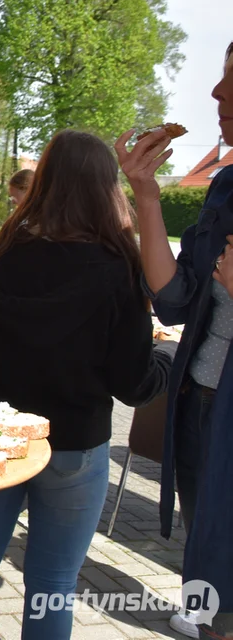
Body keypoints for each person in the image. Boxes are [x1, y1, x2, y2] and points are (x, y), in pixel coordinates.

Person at [0, 130, 172, 639]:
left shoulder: (0, 253)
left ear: (45, 180)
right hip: (73, 442)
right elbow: (135, 383)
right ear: (106, 187)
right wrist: (166, 357)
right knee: (52, 583)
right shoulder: (117, 266)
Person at [119, 40, 233, 640]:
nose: (216, 93)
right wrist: (146, 195)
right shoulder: (224, 187)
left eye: (231, 79)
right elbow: (176, 298)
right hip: (198, 402)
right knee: (209, 565)